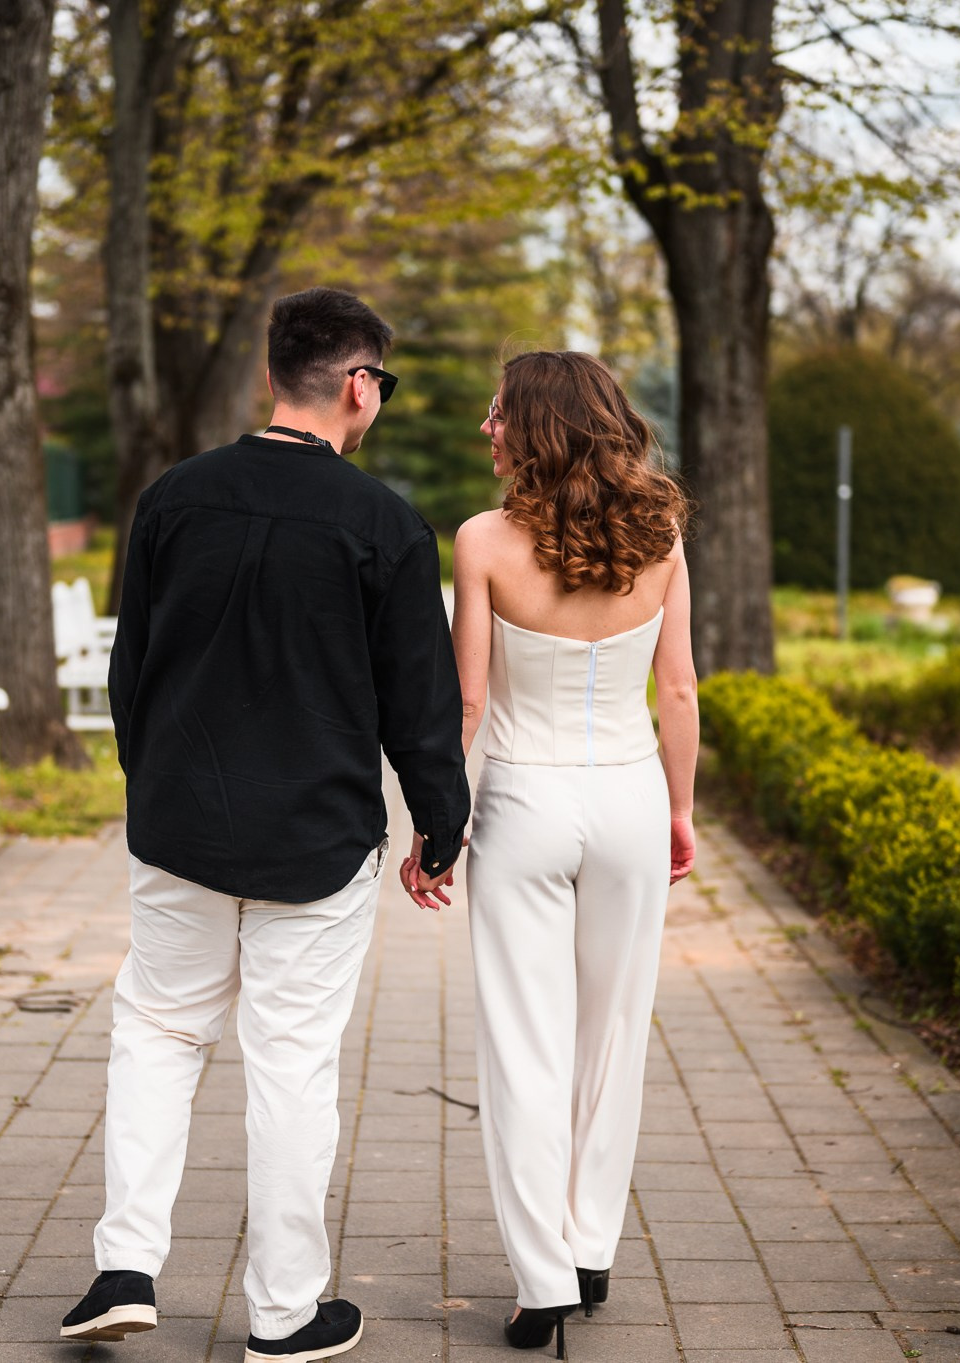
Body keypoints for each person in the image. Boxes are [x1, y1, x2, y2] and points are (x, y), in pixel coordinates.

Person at [61, 287, 470, 1362]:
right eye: (380, 381)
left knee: (156, 1030)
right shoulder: (384, 525)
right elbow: (417, 705)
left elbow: (130, 667)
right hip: (317, 840)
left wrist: (148, 783)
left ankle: (124, 1264)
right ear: (355, 384)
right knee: (289, 1064)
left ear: (270, 374)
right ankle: (285, 1313)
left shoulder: (171, 499)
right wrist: (441, 825)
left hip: (178, 826)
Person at [427, 350, 697, 1359]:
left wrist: (431, 828)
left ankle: (540, 1281)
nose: (485, 429)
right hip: (628, 795)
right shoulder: (661, 532)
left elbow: (466, 703)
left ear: (536, 426)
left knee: (522, 1042)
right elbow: (677, 691)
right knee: (611, 1033)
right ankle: (590, 1249)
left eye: (497, 414)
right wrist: (680, 809)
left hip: (524, 801)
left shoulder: (484, 541)